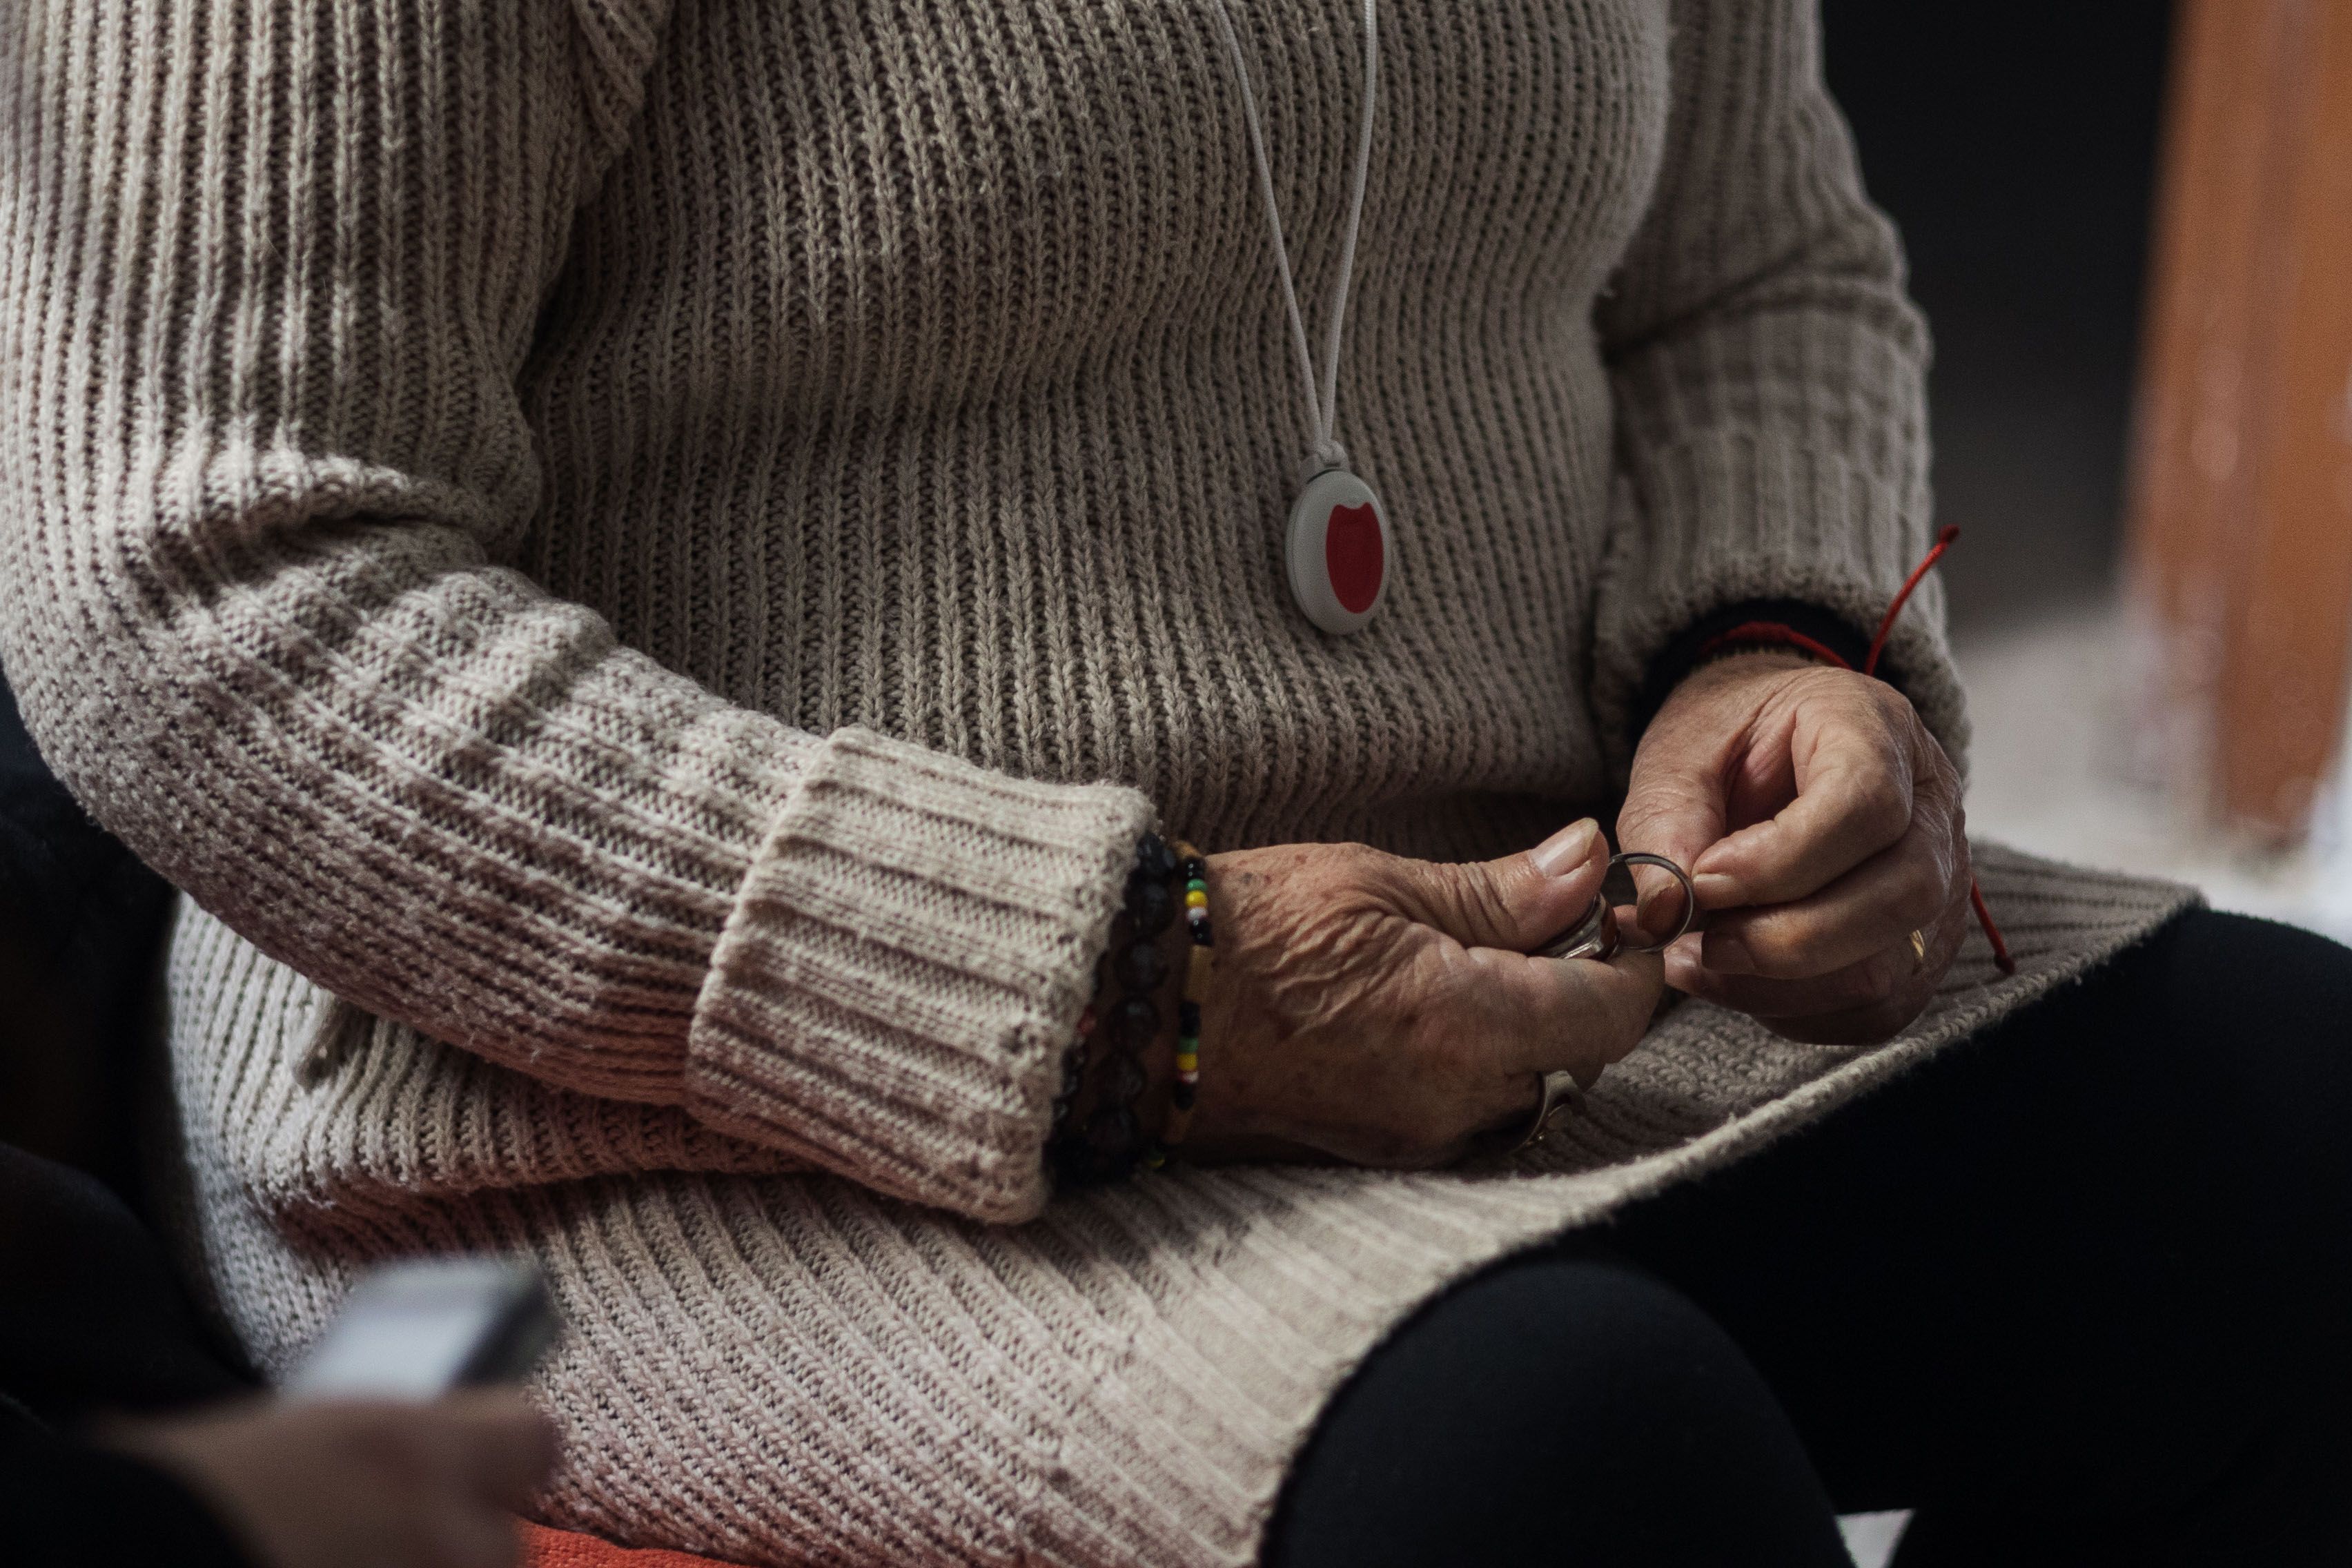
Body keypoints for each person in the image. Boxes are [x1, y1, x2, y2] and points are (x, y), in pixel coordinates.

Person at [0, 1, 2343, 1564]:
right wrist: (1136, 990)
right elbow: (216, 573)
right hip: (649, 1087)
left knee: (2307, 1159)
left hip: (1521, 943)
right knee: (1561, 1484)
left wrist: (1787, 647)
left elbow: (1755, 267)